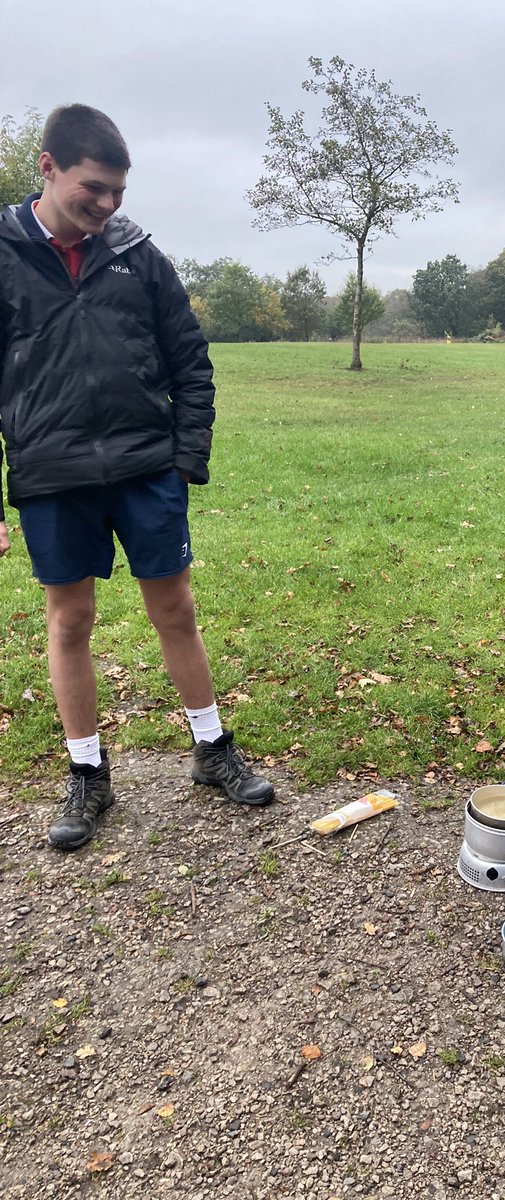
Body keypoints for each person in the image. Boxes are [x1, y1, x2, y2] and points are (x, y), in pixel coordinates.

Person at [0, 104, 274, 851]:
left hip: (145, 467)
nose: (109, 205)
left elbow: (190, 362)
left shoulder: (138, 253)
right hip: (51, 472)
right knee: (70, 622)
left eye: (119, 191)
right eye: (94, 187)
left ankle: (213, 750)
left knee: (175, 609)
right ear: (48, 167)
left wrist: (186, 459)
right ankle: (88, 771)